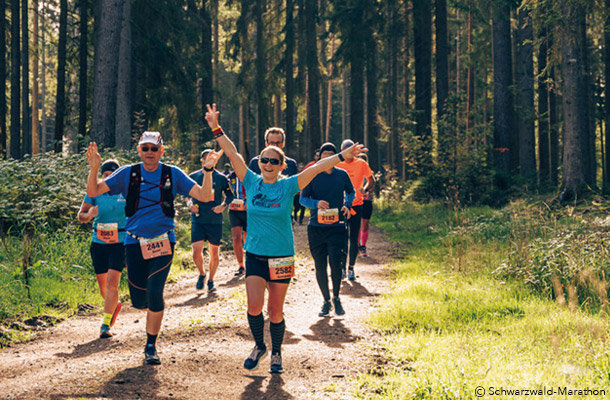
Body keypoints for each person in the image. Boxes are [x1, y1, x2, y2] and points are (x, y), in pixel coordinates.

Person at [204, 103, 366, 374]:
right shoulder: (251, 180)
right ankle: (259, 346)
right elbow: (231, 153)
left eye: (273, 161)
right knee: (254, 307)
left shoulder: (289, 184)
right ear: (259, 162)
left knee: (275, 311)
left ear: (281, 165)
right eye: (264, 159)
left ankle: (277, 352)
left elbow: (317, 168)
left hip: (281, 255)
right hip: (255, 253)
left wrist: (341, 155)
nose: (267, 164)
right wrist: (215, 127)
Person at [85, 131, 216, 365]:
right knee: (138, 300)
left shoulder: (172, 173)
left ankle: (150, 346)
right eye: (145, 148)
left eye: (154, 149)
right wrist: (94, 167)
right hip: (134, 242)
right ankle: (146, 314)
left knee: (155, 292)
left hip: (164, 240)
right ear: (139, 150)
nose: (149, 153)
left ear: (161, 151)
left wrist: (207, 171)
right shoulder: (128, 173)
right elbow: (93, 191)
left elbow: (205, 196)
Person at [300, 143, 355, 317]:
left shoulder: (342, 174)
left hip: (337, 226)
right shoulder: (313, 175)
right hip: (316, 228)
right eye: (325, 154)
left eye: (332, 154)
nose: (328, 157)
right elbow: (303, 199)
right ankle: (326, 301)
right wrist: (316, 204)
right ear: (319, 157)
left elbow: (351, 192)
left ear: (336, 157)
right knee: (320, 265)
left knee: (336, 262)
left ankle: (337, 298)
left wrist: (347, 205)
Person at [78, 159, 126, 339]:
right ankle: (113, 305)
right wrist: (89, 215)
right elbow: (80, 216)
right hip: (98, 242)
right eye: (106, 175)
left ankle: (105, 324)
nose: (108, 179)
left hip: (120, 241)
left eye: (112, 176)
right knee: (103, 286)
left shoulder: (125, 191)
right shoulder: (94, 191)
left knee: (112, 283)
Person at [186, 149, 234, 292]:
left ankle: (211, 280)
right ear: (202, 161)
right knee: (196, 252)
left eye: (212, 159)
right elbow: (186, 194)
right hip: (198, 219)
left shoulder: (221, 178)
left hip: (214, 220)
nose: (209, 161)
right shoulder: (193, 176)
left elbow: (230, 196)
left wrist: (223, 206)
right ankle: (202, 273)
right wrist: (190, 205)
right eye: (206, 159)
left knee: (214, 252)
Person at [337, 139, 376, 281]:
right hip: (340, 206)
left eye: (351, 150)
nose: (349, 153)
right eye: (346, 150)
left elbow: (371, 180)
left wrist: (365, 190)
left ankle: (351, 267)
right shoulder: (337, 164)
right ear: (342, 151)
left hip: (357, 204)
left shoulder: (361, 164)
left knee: (354, 239)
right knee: (341, 238)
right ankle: (341, 268)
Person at [228, 167, 247, 276]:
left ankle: (249, 262)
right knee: (236, 237)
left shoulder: (248, 176)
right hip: (234, 210)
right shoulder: (230, 177)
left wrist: (248, 202)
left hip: (247, 210)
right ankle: (241, 265)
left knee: (247, 238)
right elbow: (224, 191)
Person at [358, 154, 374, 257]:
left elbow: (372, 186)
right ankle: (357, 245)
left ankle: (363, 245)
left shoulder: (369, 173)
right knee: (356, 224)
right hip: (356, 202)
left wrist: (365, 190)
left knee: (364, 224)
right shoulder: (354, 173)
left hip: (367, 201)